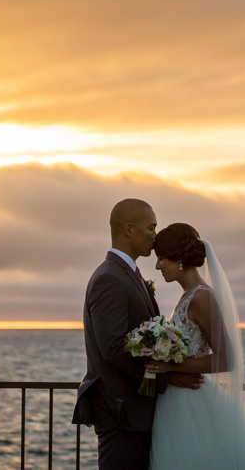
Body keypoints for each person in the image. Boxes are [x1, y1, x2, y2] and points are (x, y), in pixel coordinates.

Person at [145, 223, 245, 469]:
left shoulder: (201, 297)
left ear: (178, 259)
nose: (158, 266)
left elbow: (226, 359)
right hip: (177, 402)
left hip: (190, 406)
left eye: (162, 259)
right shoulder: (188, 295)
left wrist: (169, 367)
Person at [72, 200, 203, 470]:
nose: (155, 235)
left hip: (134, 413)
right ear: (129, 230)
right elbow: (113, 350)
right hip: (121, 412)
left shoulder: (128, 273)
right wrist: (165, 375)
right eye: (151, 227)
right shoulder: (109, 277)